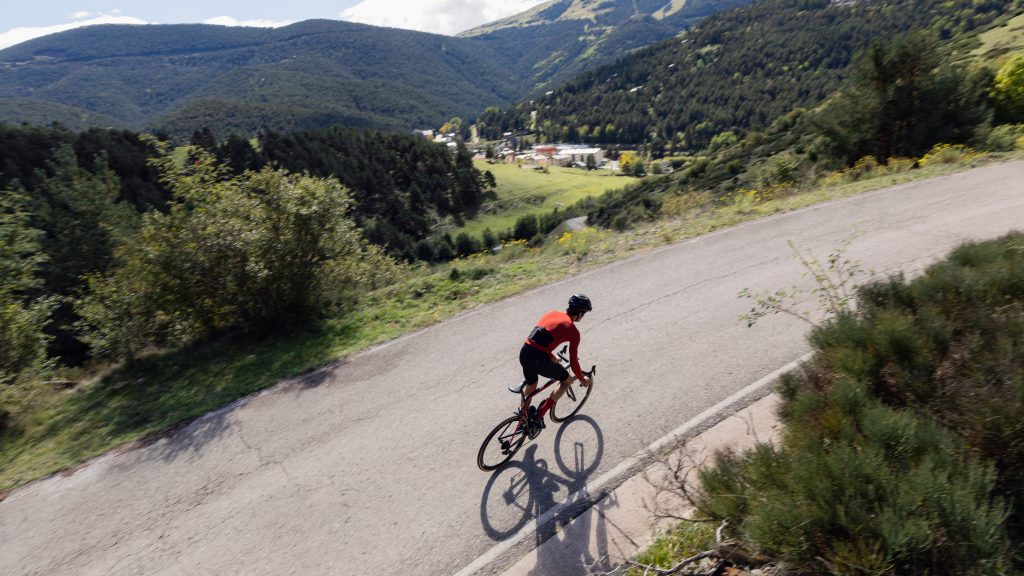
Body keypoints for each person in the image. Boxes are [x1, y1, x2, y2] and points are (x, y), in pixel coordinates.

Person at [513, 293, 593, 430]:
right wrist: (581, 379)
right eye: (584, 314)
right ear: (580, 314)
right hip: (537, 359)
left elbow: (537, 338)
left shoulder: (552, 313)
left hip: (524, 352)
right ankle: (539, 417)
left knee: (531, 386)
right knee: (566, 381)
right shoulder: (573, 331)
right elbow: (573, 362)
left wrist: (550, 354)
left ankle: (523, 419)